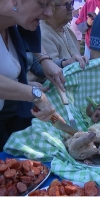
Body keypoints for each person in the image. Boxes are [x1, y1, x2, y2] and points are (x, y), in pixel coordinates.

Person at [0, 0, 67, 151]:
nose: (49, 12)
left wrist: (44, 59)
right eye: (42, 4)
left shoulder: (13, 23)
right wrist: (35, 95)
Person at [41, 0, 87, 69]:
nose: (72, 8)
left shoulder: (65, 28)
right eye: (67, 5)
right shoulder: (43, 34)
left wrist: (81, 60)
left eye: (71, 4)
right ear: (51, 8)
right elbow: (53, 72)